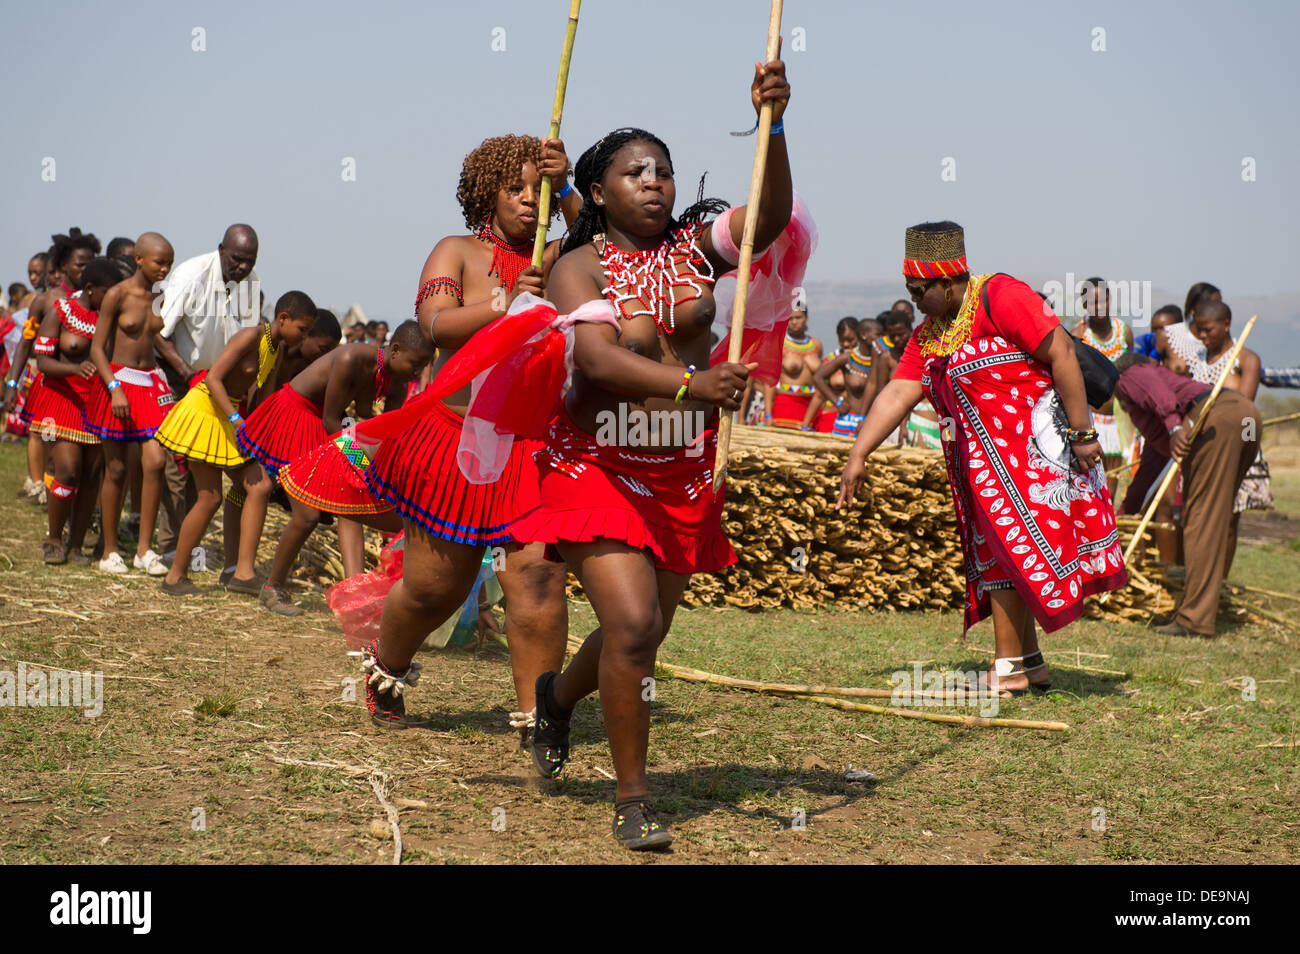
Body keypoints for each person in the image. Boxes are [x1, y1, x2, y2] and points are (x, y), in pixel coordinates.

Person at [510, 55, 792, 852]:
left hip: (680, 473)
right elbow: (597, 362)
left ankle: (557, 700)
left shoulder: (696, 254)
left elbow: (766, 220)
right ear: (598, 193)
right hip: (596, 467)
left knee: (643, 634)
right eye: (635, 173)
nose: (656, 184)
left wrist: (778, 124)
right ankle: (634, 799)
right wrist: (695, 384)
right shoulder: (579, 266)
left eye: (664, 172)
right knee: (632, 626)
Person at [838, 222, 1127, 693]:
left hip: (1035, 458)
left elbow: (1063, 357)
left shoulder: (1002, 296)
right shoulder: (931, 334)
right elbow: (897, 394)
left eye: (918, 289)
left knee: (1013, 553)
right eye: (908, 288)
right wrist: (858, 455)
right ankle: (1029, 662)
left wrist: (1082, 435)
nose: (912, 298)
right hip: (985, 469)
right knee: (999, 555)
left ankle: (1008, 668)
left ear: (948, 283)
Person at [358, 133, 582, 732]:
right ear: (488, 193)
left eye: (538, 190)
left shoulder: (558, 257)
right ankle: (387, 668)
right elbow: (433, 326)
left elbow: (602, 247)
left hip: (530, 448)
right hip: (453, 441)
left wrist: (567, 188)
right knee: (437, 588)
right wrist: (503, 310)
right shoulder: (455, 251)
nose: (529, 202)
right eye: (518, 189)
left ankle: (541, 721)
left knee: (535, 578)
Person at [153, 291, 316, 595]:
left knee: (253, 486)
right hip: (206, 411)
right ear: (283, 319)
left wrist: (262, 436)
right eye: (303, 330)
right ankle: (177, 576)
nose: (304, 338)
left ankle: (238, 571)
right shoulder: (250, 337)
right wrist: (237, 422)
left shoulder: (275, 350)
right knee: (211, 497)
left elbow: (263, 397)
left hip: (227, 416)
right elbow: (213, 378)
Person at [265, 321, 433, 614]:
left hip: (338, 432)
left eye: (423, 367)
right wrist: (363, 465)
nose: (418, 372)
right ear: (395, 350)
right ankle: (272, 589)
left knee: (353, 503)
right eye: (415, 364)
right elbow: (332, 419)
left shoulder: (397, 382)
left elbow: (385, 427)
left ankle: (355, 593)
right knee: (307, 515)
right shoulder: (350, 358)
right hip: (302, 419)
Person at [1113, 352, 1260, 636]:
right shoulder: (1155, 409)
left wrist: (1175, 427)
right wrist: (1125, 514)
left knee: (1201, 520)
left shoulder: (1131, 375)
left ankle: (1195, 619)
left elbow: (1154, 391)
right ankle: (1198, 608)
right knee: (1213, 517)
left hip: (1217, 417)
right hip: (1247, 418)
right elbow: (1152, 464)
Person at [152, 224, 261, 568]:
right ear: (221, 250)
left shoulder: (251, 283)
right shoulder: (192, 274)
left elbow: (246, 341)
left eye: (250, 261)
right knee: (177, 468)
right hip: (181, 379)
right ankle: (169, 547)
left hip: (220, 389)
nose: (243, 268)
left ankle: (201, 556)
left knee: (211, 478)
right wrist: (189, 375)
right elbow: (159, 334)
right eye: (238, 260)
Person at [84, 233, 179, 575]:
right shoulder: (117, 295)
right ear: (139, 259)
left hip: (150, 383)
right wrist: (113, 387)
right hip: (119, 383)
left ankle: (143, 549)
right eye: (159, 262)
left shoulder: (160, 296)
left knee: (154, 462)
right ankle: (109, 551)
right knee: (118, 469)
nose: (165, 268)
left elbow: (156, 340)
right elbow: (97, 347)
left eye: (169, 262)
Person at [23, 258, 119, 564]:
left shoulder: (112, 317)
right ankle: (54, 538)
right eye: (108, 291)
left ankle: (76, 545)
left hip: (96, 403)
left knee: (92, 475)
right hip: (61, 398)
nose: (113, 297)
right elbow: (43, 361)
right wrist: (75, 368)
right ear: (90, 289)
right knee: (67, 470)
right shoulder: (62, 312)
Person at [1191, 300, 1268, 572]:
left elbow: (1244, 409)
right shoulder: (1195, 360)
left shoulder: (1247, 360)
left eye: (1208, 330)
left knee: (1228, 519)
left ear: (1226, 325)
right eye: (1198, 331)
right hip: (1199, 447)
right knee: (1198, 518)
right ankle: (1194, 580)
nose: (1202, 336)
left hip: (1236, 445)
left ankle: (1218, 587)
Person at [1070, 277, 1134, 499]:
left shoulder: (1124, 332)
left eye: (1103, 300)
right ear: (1085, 306)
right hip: (1091, 418)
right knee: (1090, 476)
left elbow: (1131, 374)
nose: (1099, 307)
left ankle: (1112, 524)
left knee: (1113, 475)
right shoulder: (1079, 336)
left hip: (1118, 418)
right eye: (1092, 302)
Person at [813, 316, 874, 439]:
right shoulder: (839, 359)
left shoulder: (876, 360)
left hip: (868, 420)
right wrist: (837, 402)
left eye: (850, 340)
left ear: (860, 336)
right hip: (840, 416)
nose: (846, 344)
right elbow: (818, 391)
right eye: (842, 340)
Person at [766, 301, 823, 428]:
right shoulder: (779, 343)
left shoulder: (816, 344)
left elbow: (820, 380)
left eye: (798, 317)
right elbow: (770, 380)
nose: (794, 321)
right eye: (790, 318)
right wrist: (768, 414)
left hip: (810, 407)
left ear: (806, 319)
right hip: (784, 405)